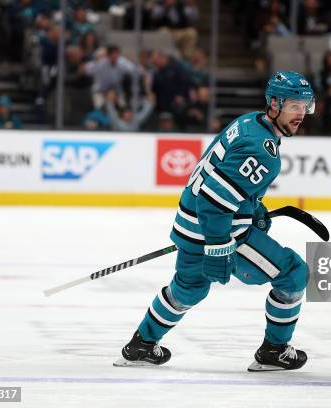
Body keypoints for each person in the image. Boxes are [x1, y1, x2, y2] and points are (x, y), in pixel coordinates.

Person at [115, 71, 315, 372]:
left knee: (189, 288)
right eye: (294, 106)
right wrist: (219, 245)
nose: (301, 114)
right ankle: (274, 350)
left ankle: (141, 345)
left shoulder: (249, 122)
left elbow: (219, 183)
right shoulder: (264, 151)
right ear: (274, 103)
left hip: (191, 224)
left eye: (305, 106)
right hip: (221, 232)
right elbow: (214, 200)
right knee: (293, 274)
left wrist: (252, 208)